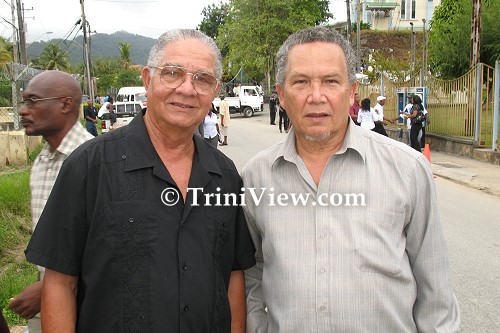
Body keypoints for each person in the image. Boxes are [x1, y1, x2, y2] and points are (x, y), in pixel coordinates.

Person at [25, 29, 256, 332]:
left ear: (214, 91)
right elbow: (59, 282)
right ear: (148, 79)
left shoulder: (225, 176)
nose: (187, 89)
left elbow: (232, 274)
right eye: (172, 73)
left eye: (202, 79)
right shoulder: (89, 167)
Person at [242, 26, 460, 332]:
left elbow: (435, 294)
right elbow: (252, 270)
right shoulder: (255, 176)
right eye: (300, 82)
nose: (316, 97)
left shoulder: (408, 169)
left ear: (352, 91)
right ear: (281, 94)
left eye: (331, 81)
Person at [9, 71, 94, 333]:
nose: (23, 111)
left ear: (65, 104)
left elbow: (106, 248)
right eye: (23, 102)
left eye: (33, 101)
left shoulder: (94, 161)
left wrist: (46, 288)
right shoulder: (42, 162)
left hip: (86, 300)